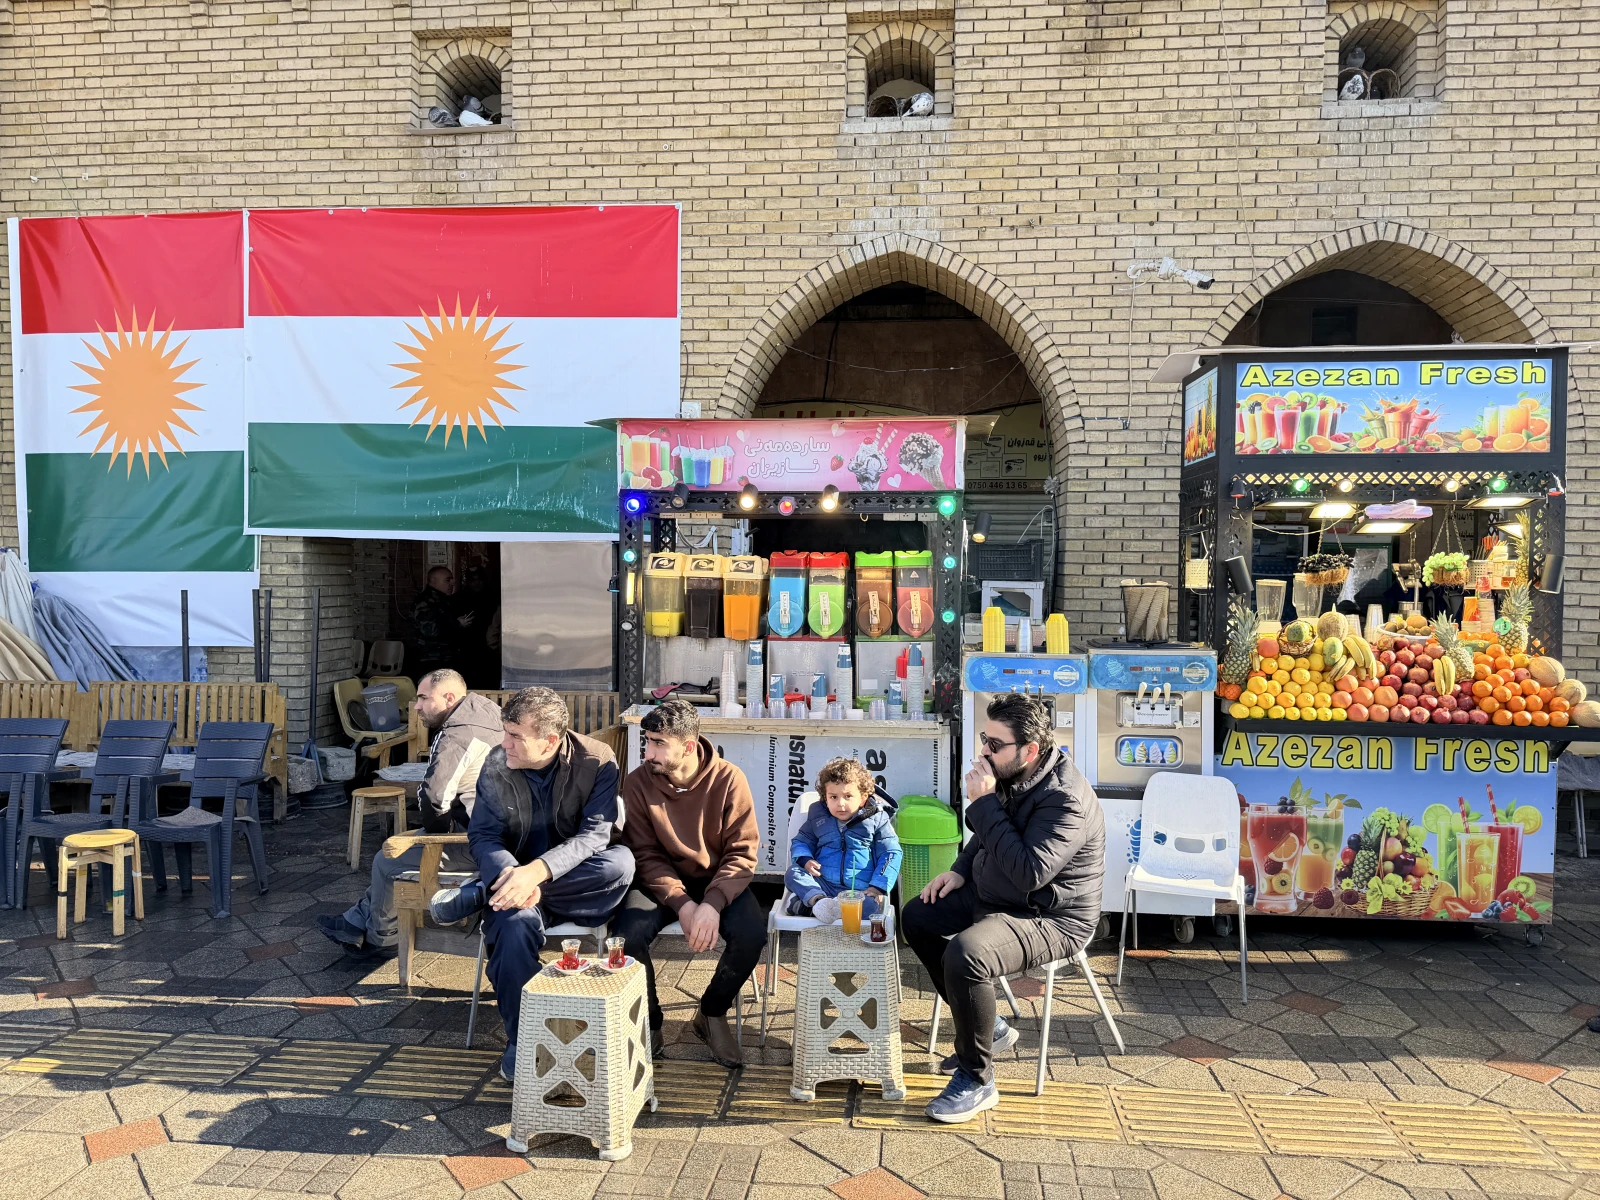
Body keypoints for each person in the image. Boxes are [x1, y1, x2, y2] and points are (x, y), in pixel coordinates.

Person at [901, 693, 1105, 1123]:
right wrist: (960, 869)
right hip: (998, 892)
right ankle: (988, 1027)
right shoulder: (1016, 773)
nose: (984, 752)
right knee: (917, 916)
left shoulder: (1065, 799)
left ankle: (977, 1079)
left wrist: (982, 802)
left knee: (967, 954)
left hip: (1050, 915)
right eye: (984, 739)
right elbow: (990, 834)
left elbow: (1030, 873)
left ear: (1030, 750)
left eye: (995, 744)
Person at [431, 686, 635, 1080]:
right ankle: (523, 1039)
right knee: (512, 925)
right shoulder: (497, 762)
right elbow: (484, 836)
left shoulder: (596, 760)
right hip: (514, 881)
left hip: (575, 882)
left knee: (621, 864)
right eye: (504, 732)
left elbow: (594, 836)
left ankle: (482, 894)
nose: (504, 743)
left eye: (515, 736)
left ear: (550, 741)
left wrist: (536, 874)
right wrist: (514, 877)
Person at [615, 698, 764, 1068]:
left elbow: (742, 852)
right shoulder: (638, 782)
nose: (648, 752)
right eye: (647, 741)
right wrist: (682, 904)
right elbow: (643, 853)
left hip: (718, 880)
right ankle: (649, 1022)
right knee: (626, 935)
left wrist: (712, 903)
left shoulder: (729, 779)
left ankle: (711, 1013)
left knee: (752, 935)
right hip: (658, 883)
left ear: (688, 746)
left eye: (658, 743)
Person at [318, 669, 502, 955]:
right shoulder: (490, 715)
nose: (416, 706)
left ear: (449, 698)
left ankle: (383, 939)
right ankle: (354, 921)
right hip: (502, 833)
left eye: (424, 698)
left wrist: (433, 837)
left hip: (477, 843)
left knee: (387, 859)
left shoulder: (456, 735)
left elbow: (433, 797)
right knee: (403, 849)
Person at [786, 757, 902, 923]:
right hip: (822, 884)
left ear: (863, 798)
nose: (840, 803)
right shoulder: (818, 817)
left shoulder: (877, 819)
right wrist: (806, 860)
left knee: (871, 906)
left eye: (848, 796)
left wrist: (877, 886)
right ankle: (819, 901)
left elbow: (891, 853)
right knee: (793, 873)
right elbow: (802, 841)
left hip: (859, 890)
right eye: (833, 797)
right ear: (825, 798)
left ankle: (808, 907)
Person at [412, 566, 475, 680]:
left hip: (443, 658)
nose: (452, 583)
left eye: (452, 580)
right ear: (433, 581)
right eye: (447, 580)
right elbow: (430, 630)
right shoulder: (425, 602)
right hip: (430, 660)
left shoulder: (443, 600)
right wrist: (457, 624)